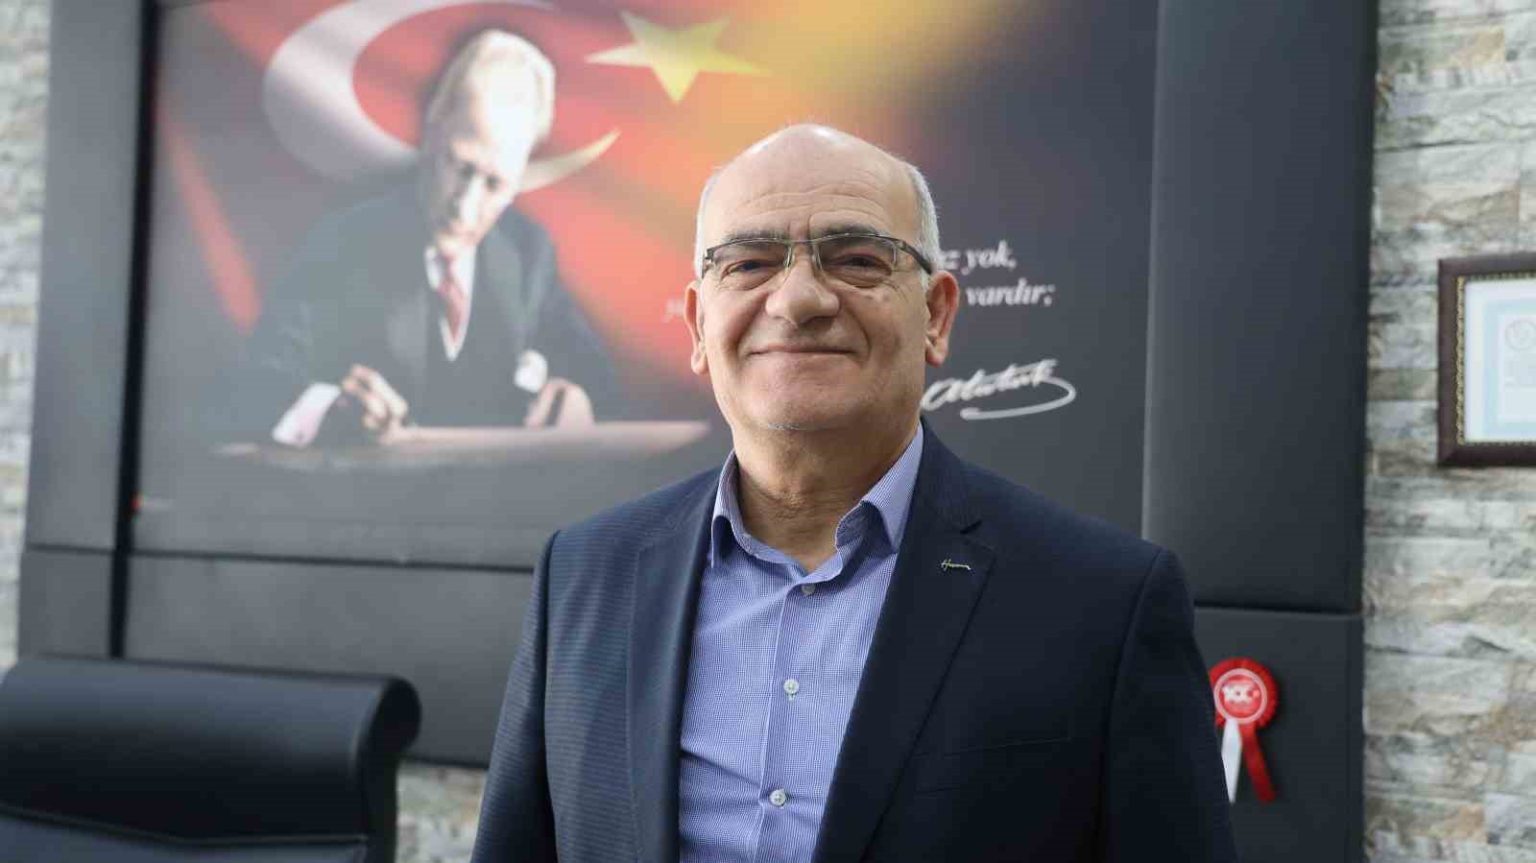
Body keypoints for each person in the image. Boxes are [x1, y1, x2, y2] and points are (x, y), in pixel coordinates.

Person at [470, 125, 1237, 862]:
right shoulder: (584, 575)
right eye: (749, 262)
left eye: (858, 259)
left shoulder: (1104, 604)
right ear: (699, 325)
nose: (799, 298)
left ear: (936, 314)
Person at [242, 30, 615, 446]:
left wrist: (577, 399)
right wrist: (331, 408)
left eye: (494, 184)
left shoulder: (528, 252)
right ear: (432, 131)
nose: (465, 206)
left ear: (518, 178)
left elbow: (598, 380)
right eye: (460, 167)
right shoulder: (342, 243)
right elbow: (253, 386)